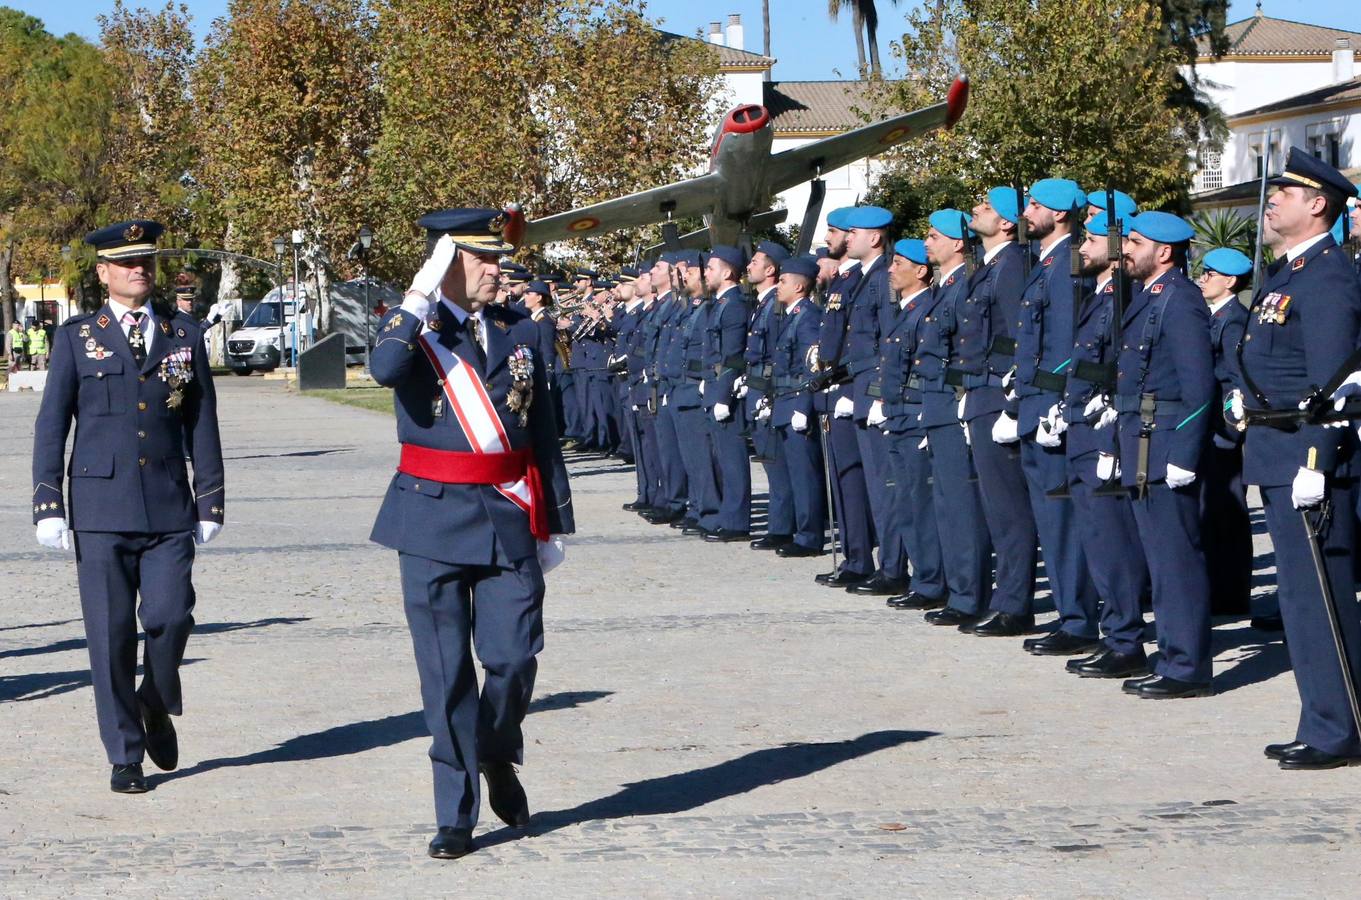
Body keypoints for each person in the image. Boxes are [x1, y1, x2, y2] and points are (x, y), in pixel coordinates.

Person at [369, 207, 574, 857]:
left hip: (509, 513)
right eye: (480, 257)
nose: (495, 267)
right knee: (446, 672)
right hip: (430, 518)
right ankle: (454, 811)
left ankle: (494, 750)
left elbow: (542, 429)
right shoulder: (412, 330)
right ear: (446, 264)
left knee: (514, 656)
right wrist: (418, 294)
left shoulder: (520, 330)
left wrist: (555, 520)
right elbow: (383, 369)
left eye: (497, 256)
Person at [31, 219, 224, 794]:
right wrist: (48, 501)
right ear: (103, 273)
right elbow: (52, 424)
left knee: (171, 616)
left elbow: (202, 422)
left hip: (167, 505)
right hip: (100, 508)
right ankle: (124, 754)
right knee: (110, 636)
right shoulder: (76, 338)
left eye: (145, 261)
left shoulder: (182, 334)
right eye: (126, 263)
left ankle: (155, 700)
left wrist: (210, 498)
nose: (139, 270)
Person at [1238, 150, 1361, 769]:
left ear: (1317, 205)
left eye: (1284, 193)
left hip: (1305, 460)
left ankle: (1338, 730)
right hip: (1276, 450)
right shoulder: (1289, 272)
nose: (1272, 201)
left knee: (1320, 601)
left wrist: (1316, 460)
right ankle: (1324, 720)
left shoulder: (1327, 276)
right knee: (1299, 599)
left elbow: (1339, 384)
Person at [1093, 211, 1216, 699]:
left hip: (1165, 446)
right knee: (1160, 561)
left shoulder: (1179, 300)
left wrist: (1185, 452)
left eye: (1136, 242)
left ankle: (1187, 667)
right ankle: (1171, 656)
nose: (1125, 249)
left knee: (1175, 560)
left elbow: (1199, 387)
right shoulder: (1149, 296)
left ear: (1164, 252)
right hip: (1142, 441)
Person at [1004, 178, 1101, 657]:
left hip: (1049, 408)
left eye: (1036, 205)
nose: (1026, 212)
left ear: (1060, 214)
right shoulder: (1047, 262)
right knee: (1050, 518)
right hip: (1032, 404)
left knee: (1062, 522)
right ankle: (1070, 614)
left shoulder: (1066, 265)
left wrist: (1059, 403)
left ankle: (1079, 620)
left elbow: (1066, 344)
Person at [1060, 211, 1151, 680]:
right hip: (1081, 424)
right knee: (1096, 539)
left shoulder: (1124, 296)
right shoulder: (1096, 293)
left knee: (1112, 541)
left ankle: (1126, 640)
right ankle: (1114, 632)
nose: (1082, 248)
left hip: (1103, 430)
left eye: (1092, 240)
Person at [953, 188, 1040, 636]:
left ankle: (1014, 606)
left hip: (997, 395)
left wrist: (1011, 401)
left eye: (985, 206)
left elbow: (1017, 338)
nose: (975, 209)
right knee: (996, 507)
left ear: (1006, 222)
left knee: (1009, 510)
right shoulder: (992, 265)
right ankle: (1005, 599)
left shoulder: (1011, 266)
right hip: (980, 393)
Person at [913, 208, 994, 627]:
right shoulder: (943, 287)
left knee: (962, 508)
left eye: (934, 236)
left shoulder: (965, 285)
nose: (927, 243)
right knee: (945, 505)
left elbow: (967, 348)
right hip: (937, 404)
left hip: (953, 402)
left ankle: (969, 596)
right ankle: (956, 589)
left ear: (958, 243)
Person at [810, 209, 876, 589]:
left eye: (836, 231)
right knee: (843, 478)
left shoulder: (863, 279)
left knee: (853, 480)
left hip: (851, 387)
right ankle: (854, 555)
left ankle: (861, 557)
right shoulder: (844, 280)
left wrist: (850, 387)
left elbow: (863, 340)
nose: (834, 238)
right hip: (836, 386)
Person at [1197, 247, 1253, 618]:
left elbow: (1234, 382)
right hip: (1213, 427)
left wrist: (1229, 431)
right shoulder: (1216, 315)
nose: (1203, 279)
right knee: (1215, 509)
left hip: (1222, 429)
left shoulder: (1232, 321)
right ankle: (1221, 588)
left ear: (1230, 281)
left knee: (1226, 511)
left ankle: (1230, 593)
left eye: (1210, 274)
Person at [765, 255, 826, 556]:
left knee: (805, 476)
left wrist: (804, 405)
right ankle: (797, 531)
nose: (778, 285)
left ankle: (809, 537)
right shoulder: (792, 315)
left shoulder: (808, 316)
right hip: (784, 401)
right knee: (792, 474)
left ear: (800, 286)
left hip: (796, 403)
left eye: (783, 281)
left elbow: (812, 365)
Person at [701, 245, 753, 542]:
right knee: (722, 458)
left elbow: (732, 356)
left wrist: (723, 396)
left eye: (711, 268)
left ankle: (737, 521)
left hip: (725, 392)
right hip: (714, 386)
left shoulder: (733, 305)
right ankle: (727, 515)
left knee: (732, 460)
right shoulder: (721, 303)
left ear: (728, 272)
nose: (706, 273)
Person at [745, 241, 794, 550]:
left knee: (777, 466)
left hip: (769, 392)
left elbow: (777, 354)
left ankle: (782, 527)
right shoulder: (763, 303)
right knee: (770, 461)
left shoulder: (775, 306)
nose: (748, 266)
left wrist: (768, 392)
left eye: (755, 262)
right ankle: (781, 524)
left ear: (770, 269)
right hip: (758, 388)